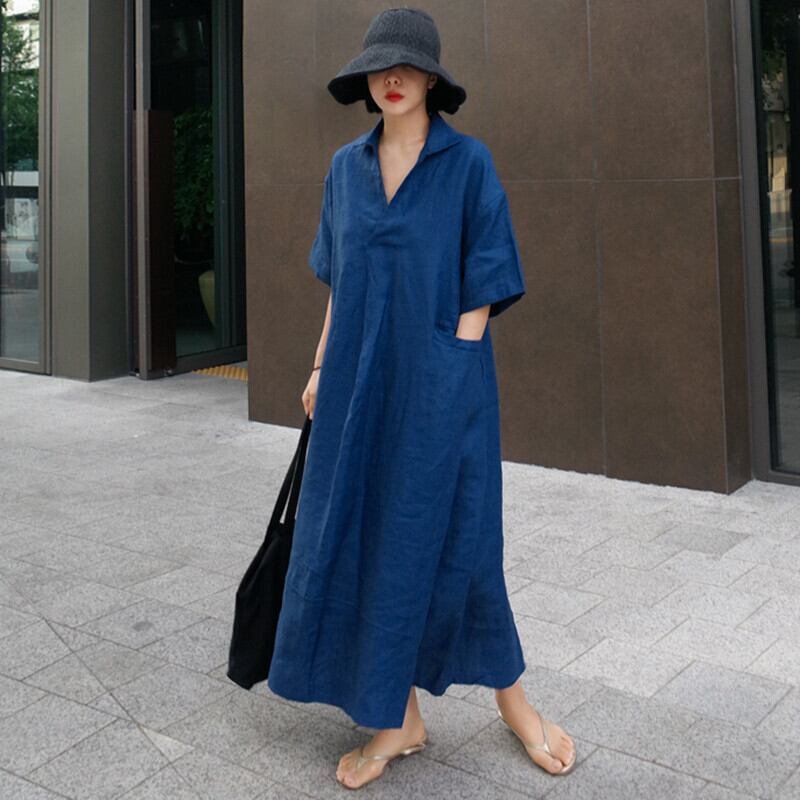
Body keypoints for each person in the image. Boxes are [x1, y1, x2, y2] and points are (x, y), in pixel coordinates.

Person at [266, 7, 577, 790]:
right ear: (366, 81)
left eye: (407, 66)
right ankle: (396, 720)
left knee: (461, 537)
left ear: (433, 78)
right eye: (380, 67)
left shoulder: (467, 164)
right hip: (356, 385)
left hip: (441, 382)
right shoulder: (345, 169)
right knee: (370, 533)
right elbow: (340, 280)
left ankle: (514, 703)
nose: (393, 77)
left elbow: (486, 276)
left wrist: (455, 365)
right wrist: (319, 366)